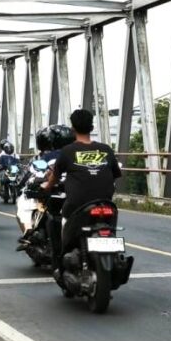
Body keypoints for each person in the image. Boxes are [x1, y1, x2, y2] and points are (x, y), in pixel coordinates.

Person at [43, 110, 121, 271]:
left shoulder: (67, 151)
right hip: (106, 204)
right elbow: (115, 175)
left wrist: (47, 186)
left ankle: (60, 265)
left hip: (77, 206)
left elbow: (54, 178)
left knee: (62, 229)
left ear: (73, 129)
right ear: (92, 127)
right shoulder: (106, 149)